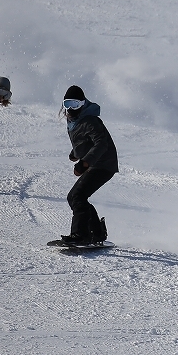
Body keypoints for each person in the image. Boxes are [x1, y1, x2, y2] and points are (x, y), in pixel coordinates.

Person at [57, 85, 118, 246]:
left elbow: (101, 144)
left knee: (77, 196)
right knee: (76, 197)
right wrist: (75, 153)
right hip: (97, 163)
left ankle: (80, 234)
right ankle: (96, 233)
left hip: (103, 164)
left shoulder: (90, 120)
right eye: (68, 104)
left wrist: (84, 163)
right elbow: (84, 141)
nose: (71, 108)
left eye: (75, 104)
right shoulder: (75, 121)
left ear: (83, 104)